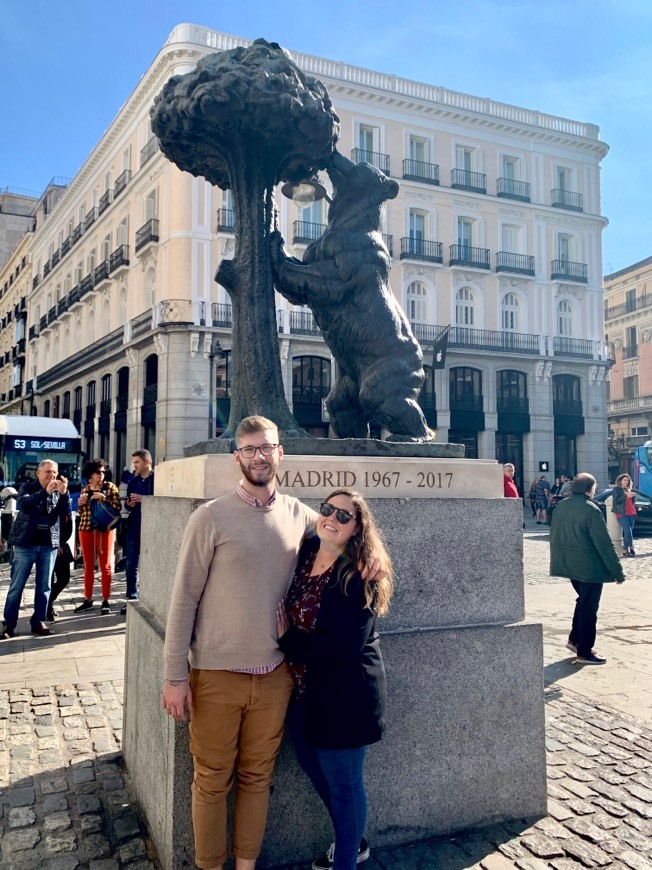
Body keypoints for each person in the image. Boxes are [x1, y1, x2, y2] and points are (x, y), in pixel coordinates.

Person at [160, 416, 380, 870]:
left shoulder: (301, 515)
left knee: (258, 778)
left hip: (277, 677)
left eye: (267, 447)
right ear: (236, 457)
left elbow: (349, 536)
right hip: (216, 674)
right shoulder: (210, 516)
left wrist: (371, 567)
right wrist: (174, 675)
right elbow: (183, 599)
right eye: (249, 449)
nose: (259, 456)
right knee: (211, 780)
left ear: (280, 453)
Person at [277, 489, 393, 870]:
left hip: (344, 697)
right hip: (304, 693)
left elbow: (343, 648)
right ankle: (353, 840)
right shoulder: (307, 551)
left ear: (358, 529)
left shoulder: (359, 575)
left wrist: (288, 640)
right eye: (327, 509)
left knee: (344, 787)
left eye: (344, 516)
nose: (332, 518)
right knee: (317, 774)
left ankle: (346, 861)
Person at [550, 472, 625, 666]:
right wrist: (617, 571)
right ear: (590, 489)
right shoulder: (590, 509)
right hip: (588, 567)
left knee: (582, 601)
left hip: (569, 564)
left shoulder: (562, 505)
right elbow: (604, 543)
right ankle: (584, 651)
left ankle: (575, 640)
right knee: (589, 607)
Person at [1, 460, 70, 639]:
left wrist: (64, 494)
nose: (51, 476)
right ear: (38, 473)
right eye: (47, 472)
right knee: (17, 585)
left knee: (44, 586)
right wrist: (44, 492)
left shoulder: (57, 492)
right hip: (26, 544)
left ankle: (38, 620)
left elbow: (65, 514)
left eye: (54, 473)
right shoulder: (27, 487)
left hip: (48, 546)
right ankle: (9, 624)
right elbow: (24, 504)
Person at [74, 459, 122, 615]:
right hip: (86, 529)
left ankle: (106, 599)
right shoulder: (85, 489)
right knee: (88, 565)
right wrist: (81, 503)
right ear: (90, 475)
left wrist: (103, 498)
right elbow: (83, 513)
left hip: (103, 530)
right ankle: (87, 598)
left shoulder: (110, 487)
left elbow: (117, 508)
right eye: (97, 472)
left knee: (105, 564)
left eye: (102, 471)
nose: (101, 474)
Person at [120, 449, 154, 614]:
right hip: (134, 525)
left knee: (151, 564)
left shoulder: (157, 479)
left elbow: (163, 501)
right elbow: (127, 505)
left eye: (137, 462)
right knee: (131, 563)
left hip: (152, 526)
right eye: (134, 462)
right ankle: (131, 598)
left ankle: (150, 598)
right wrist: (130, 504)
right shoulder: (133, 481)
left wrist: (144, 500)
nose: (134, 465)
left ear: (146, 461)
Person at [46, 512, 75, 622]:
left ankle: (49, 602)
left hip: (62, 545)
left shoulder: (66, 506)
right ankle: (47, 608)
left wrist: (60, 542)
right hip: (48, 545)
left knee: (64, 578)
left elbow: (69, 528)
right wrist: (54, 543)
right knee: (49, 580)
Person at [611, 473, 637, 557]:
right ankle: (632, 547)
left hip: (631, 513)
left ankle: (625, 550)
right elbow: (617, 500)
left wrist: (633, 496)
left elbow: (633, 502)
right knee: (628, 530)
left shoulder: (630, 489)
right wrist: (625, 495)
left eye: (628, 480)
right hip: (621, 513)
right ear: (620, 481)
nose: (626, 482)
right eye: (624, 480)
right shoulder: (616, 489)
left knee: (628, 532)